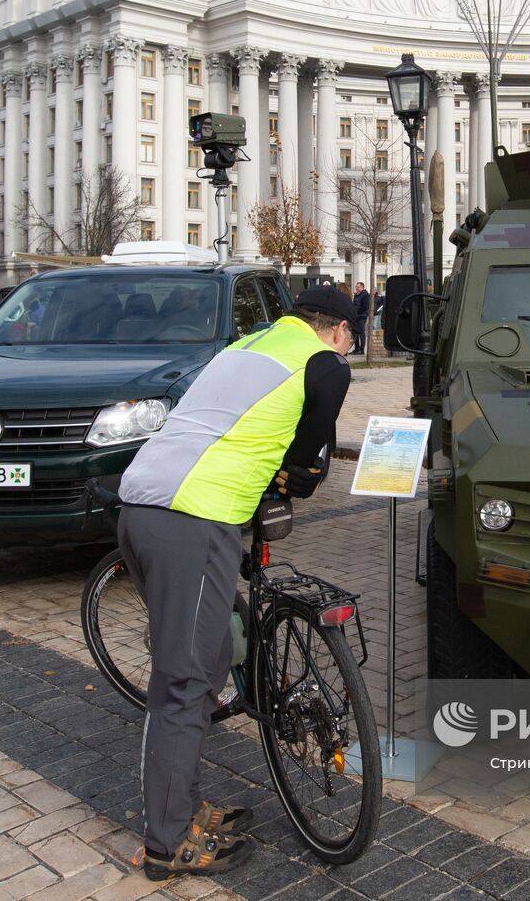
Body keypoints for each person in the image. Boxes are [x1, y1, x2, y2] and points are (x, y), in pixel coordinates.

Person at [115, 286, 355, 881]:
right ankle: (168, 843)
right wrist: (301, 471)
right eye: (353, 335)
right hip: (193, 517)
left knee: (212, 655)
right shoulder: (322, 361)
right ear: (339, 330)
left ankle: (185, 808)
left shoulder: (247, 345)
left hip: (144, 503)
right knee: (186, 680)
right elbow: (316, 427)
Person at [351, 281, 370, 354]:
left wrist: (358, 312)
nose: (356, 288)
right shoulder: (356, 295)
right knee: (355, 332)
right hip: (356, 316)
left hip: (362, 316)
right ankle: (356, 348)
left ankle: (361, 350)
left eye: (358, 287)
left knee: (361, 332)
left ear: (362, 287)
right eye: (356, 287)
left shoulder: (364, 295)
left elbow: (365, 306)